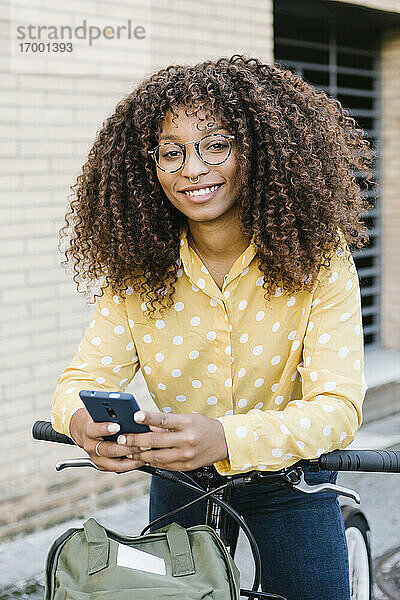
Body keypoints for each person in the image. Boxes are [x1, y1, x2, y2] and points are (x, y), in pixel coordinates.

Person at [51, 54, 373, 599]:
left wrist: (226, 437)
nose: (192, 168)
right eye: (171, 152)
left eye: (216, 144)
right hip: (181, 481)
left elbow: (338, 407)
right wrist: (81, 422)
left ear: (259, 152)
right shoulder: (137, 270)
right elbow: (81, 377)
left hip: (291, 478)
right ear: (145, 168)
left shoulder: (319, 261)